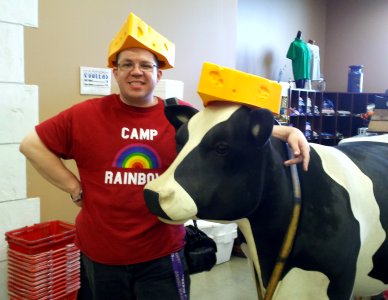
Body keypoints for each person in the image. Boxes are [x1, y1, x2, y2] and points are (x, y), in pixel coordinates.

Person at [19, 12, 310, 300]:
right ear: (115, 71)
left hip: (162, 254)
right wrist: (74, 187)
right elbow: (31, 144)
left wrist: (285, 133)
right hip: (101, 254)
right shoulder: (83, 115)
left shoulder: (180, 116)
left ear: (159, 74)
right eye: (127, 64)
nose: (136, 71)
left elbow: (228, 133)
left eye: (146, 65)